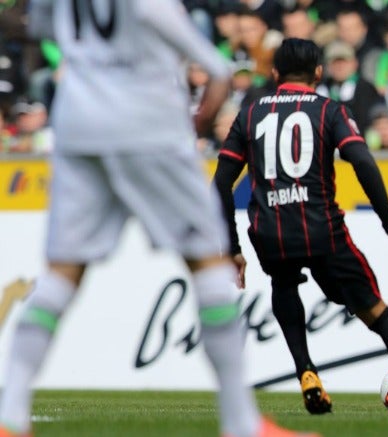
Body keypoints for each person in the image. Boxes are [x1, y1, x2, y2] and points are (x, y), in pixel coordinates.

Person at [0, 2, 317, 437]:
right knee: (207, 261)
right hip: (147, 126)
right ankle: (242, 424)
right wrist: (197, 124)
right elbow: (217, 71)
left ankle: (10, 416)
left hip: (78, 125)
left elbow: (32, 25)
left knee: (61, 273)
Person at [213, 38, 388, 418]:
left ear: (276, 74)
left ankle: (306, 371)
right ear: (318, 73)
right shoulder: (329, 109)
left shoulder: (249, 113)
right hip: (322, 228)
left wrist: (231, 247)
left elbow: (220, 183)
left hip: (269, 230)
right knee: (376, 314)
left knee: (284, 283)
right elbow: (362, 161)